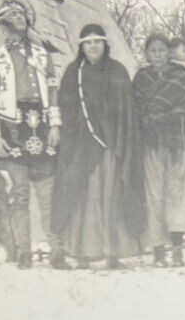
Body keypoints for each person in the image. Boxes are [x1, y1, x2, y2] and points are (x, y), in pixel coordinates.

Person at [0, 0, 69, 270]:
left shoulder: (43, 56)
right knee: (18, 195)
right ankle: (23, 252)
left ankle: (57, 251)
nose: (17, 19)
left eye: (21, 14)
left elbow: (53, 93)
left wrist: (55, 125)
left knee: (48, 193)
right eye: (12, 16)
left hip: (41, 126)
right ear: (3, 24)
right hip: (11, 126)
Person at [51, 24, 146, 270]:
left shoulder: (118, 71)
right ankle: (85, 251)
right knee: (86, 195)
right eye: (88, 42)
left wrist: (119, 140)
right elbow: (66, 110)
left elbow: (127, 112)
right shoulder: (74, 73)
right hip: (83, 145)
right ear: (81, 46)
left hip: (111, 145)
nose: (93, 46)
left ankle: (113, 252)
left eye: (97, 41)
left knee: (111, 195)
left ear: (105, 44)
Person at [133, 33, 185, 267]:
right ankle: (158, 250)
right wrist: (150, 121)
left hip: (177, 144)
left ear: (168, 52)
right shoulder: (141, 78)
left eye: (161, 50)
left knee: (178, 197)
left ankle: (178, 250)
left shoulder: (181, 76)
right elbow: (136, 110)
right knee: (155, 197)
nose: (157, 54)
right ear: (146, 54)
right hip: (151, 145)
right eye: (152, 51)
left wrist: (158, 118)